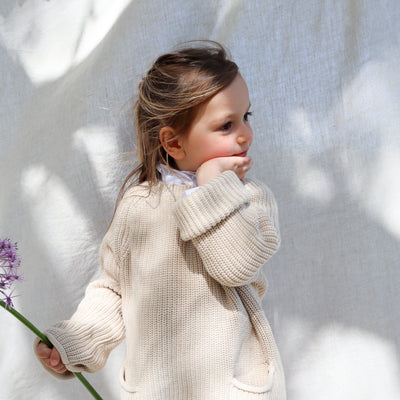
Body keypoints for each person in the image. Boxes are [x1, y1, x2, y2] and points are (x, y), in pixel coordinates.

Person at [35, 41, 286, 399]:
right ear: (174, 143)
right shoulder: (140, 205)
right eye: (226, 124)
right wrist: (77, 342)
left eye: (247, 116)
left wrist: (213, 187)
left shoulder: (249, 197)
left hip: (231, 388)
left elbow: (237, 267)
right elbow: (114, 288)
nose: (244, 133)